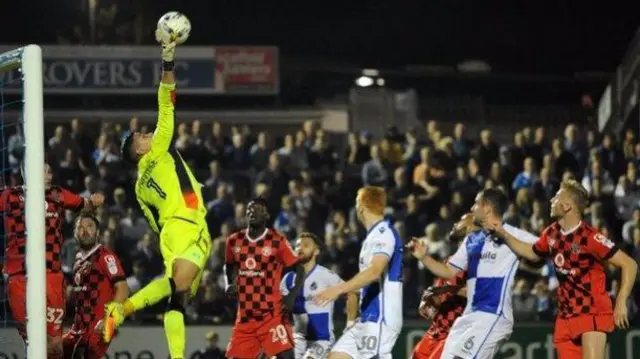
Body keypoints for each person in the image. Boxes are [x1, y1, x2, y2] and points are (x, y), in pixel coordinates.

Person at [103, 33, 212, 359]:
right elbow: (167, 100)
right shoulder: (158, 149)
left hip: (171, 231)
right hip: (188, 222)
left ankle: (122, 310)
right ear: (138, 149)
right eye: (140, 136)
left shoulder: (139, 186)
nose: (146, 133)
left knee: (171, 283)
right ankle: (177, 357)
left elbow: (152, 221)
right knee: (179, 295)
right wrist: (168, 58)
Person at [481, 179, 639, 359]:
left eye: (556, 197)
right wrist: (502, 233)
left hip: (592, 311)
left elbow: (630, 264)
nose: (550, 201)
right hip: (565, 316)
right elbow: (532, 253)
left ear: (567, 206)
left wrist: (621, 301)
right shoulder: (551, 233)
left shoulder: (590, 237)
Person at [408, 188, 538, 359]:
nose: (472, 207)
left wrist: (504, 235)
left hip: (492, 313)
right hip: (469, 316)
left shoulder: (512, 233)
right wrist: (424, 257)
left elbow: (538, 252)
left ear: (487, 207)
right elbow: (448, 271)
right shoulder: (472, 240)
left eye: (476, 203)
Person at [1, 163, 104, 359]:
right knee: (34, 340)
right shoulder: (9, 196)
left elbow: (84, 205)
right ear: (27, 172)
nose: (49, 175)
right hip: (20, 278)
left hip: (52, 277)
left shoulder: (58, 194)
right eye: (44, 171)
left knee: (55, 344)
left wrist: (94, 202)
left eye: (50, 171)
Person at [312, 186, 404, 359]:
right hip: (367, 316)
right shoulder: (373, 236)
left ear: (360, 206)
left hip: (381, 317)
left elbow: (375, 271)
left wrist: (338, 289)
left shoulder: (384, 233)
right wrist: (351, 318)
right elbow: (367, 281)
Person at [224, 198, 305, 359]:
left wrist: (291, 296)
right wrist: (228, 284)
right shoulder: (234, 240)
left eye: (258, 209)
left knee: (286, 356)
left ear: (267, 215)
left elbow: (300, 268)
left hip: (272, 314)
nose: (253, 212)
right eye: (250, 209)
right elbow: (228, 265)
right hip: (246, 315)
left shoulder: (277, 241)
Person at [280, 232, 359, 359]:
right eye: (297, 246)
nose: (300, 248)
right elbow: (279, 311)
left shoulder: (326, 276)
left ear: (316, 251)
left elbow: (352, 292)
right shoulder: (287, 279)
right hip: (298, 337)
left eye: (306, 245)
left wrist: (350, 325)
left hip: (322, 339)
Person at [63, 212, 128, 359]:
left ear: (97, 232)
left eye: (90, 226)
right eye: (81, 227)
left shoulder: (105, 256)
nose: (85, 230)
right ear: (75, 233)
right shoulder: (78, 260)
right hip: (78, 329)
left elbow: (123, 288)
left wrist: (109, 319)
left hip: (99, 327)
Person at [411, 213, 476, 359]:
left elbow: (478, 292)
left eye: (460, 220)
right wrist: (430, 303)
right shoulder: (449, 261)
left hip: (454, 332)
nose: (454, 224)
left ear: (472, 228)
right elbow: (438, 298)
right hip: (436, 330)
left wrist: (446, 289)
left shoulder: (477, 261)